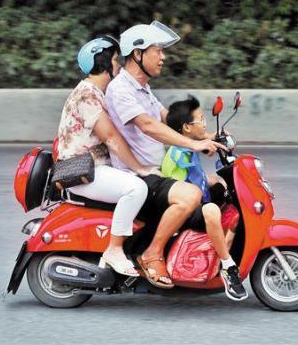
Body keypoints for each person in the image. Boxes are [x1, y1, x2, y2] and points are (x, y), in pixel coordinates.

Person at [105, 21, 226, 289]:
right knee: (191, 195)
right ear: (138, 54)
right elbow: (148, 125)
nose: (163, 57)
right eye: (157, 51)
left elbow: (166, 118)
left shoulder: (142, 88)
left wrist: (204, 136)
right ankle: (152, 253)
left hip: (159, 170)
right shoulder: (121, 89)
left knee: (217, 183)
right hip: (140, 174)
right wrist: (192, 145)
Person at [57, 36, 157, 277]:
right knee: (136, 188)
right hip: (83, 172)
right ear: (102, 63)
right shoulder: (87, 94)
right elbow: (111, 137)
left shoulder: (96, 92)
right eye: (114, 60)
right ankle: (114, 249)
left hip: (95, 168)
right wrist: (140, 167)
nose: (119, 66)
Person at [162, 95, 248, 301]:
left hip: (193, 197)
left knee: (222, 187)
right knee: (211, 209)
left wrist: (212, 138)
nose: (204, 124)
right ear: (187, 128)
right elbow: (191, 154)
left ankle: (223, 247)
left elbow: (199, 173)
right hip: (182, 208)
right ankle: (228, 267)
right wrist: (207, 144)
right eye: (200, 120)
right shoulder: (178, 151)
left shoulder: (189, 142)